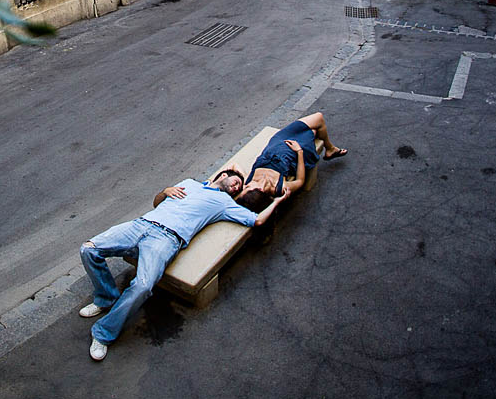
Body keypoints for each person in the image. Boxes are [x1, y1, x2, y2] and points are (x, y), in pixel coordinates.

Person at [79, 170, 287, 361]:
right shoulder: (189, 183)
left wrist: (278, 201)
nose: (236, 187)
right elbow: (157, 202)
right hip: (141, 224)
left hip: (166, 240)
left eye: (238, 188)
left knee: (143, 286)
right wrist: (164, 191)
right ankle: (106, 298)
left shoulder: (225, 203)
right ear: (223, 174)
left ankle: (103, 334)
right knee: (88, 249)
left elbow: (257, 220)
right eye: (236, 181)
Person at [234, 111, 347, 212]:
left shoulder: (248, 181)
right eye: (247, 188)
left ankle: (331, 149)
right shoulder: (279, 187)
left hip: (278, 140)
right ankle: (330, 149)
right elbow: (299, 181)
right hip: (296, 150)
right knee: (317, 123)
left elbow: (234, 166)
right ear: (259, 190)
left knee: (317, 121)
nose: (244, 186)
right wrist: (299, 151)